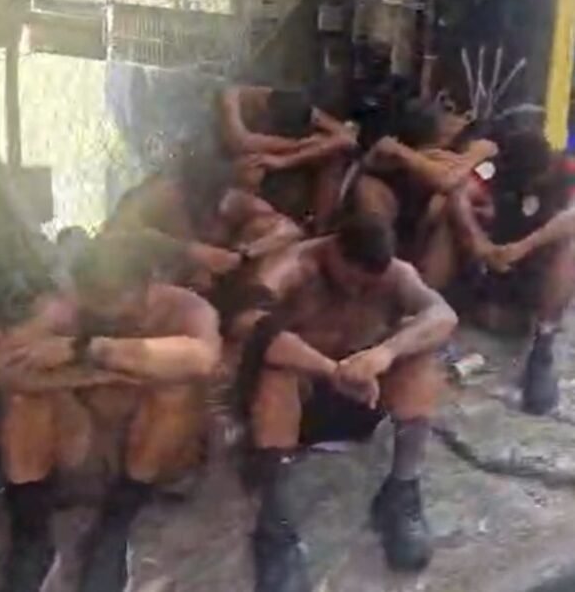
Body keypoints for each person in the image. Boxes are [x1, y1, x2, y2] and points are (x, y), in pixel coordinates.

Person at [227, 215, 457, 591]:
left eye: (368, 285)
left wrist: (385, 352)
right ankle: (274, 526)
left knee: (422, 357)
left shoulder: (397, 275)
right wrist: (332, 370)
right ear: (334, 250)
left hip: (360, 397)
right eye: (351, 278)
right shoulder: (291, 267)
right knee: (276, 368)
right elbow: (247, 326)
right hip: (296, 405)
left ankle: (402, 490)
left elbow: (444, 316)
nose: (355, 291)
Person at [0, 231, 223, 592]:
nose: (110, 316)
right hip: (85, 446)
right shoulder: (64, 308)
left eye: (120, 306)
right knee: (25, 398)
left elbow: (203, 359)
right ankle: (31, 528)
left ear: (149, 286)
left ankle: (117, 527)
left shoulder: (187, 309)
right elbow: (3, 368)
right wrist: (102, 373)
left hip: (154, 453)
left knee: (176, 384)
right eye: (98, 309)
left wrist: (87, 348)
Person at [420, 129, 571, 414]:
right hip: (486, 266)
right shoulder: (497, 169)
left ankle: (543, 344)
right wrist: (479, 244)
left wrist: (524, 247)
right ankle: (427, 316)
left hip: (532, 273)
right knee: (445, 219)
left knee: (570, 245)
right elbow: (457, 195)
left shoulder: (566, 171)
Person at [101, 151, 306, 295]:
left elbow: (289, 231)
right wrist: (190, 251)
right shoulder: (160, 196)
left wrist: (245, 254)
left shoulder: (235, 208)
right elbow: (117, 240)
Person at [350, 98, 498, 258]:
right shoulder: (391, 148)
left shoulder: (450, 152)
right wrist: (474, 156)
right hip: (383, 228)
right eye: (451, 113)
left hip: (422, 229)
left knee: (444, 204)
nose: (464, 120)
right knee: (369, 189)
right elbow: (446, 181)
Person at [219, 84, 359, 231]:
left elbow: (347, 139)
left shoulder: (296, 110)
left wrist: (285, 160)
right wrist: (296, 148)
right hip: (291, 143)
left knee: (332, 155)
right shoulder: (235, 97)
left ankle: (320, 228)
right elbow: (240, 141)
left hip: (305, 147)